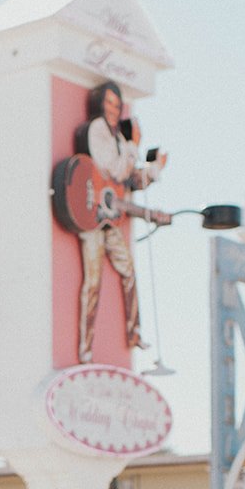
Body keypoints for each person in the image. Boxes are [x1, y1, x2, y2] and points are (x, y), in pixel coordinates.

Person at [78, 80, 167, 360]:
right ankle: (85, 348)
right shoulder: (98, 132)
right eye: (110, 104)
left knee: (128, 271)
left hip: (112, 218)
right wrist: (133, 144)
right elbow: (115, 170)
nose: (115, 110)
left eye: (118, 105)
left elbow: (128, 180)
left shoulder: (119, 140)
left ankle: (134, 332)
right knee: (92, 281)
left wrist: (154, 169)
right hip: (93, 216)